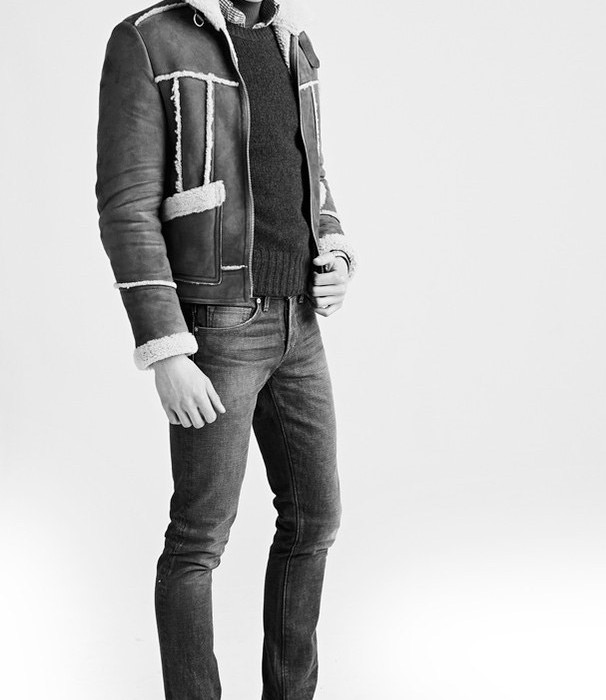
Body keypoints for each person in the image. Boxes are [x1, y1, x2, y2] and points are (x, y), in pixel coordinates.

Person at [95, 0, 358, 697]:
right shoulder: (150, 39)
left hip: (301, 323)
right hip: (217, 328)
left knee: (315, 519)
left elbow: (310, 170)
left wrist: (334, 248)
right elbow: (126, 208)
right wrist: (165, 349)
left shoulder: (292, 41)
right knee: (198, 540)